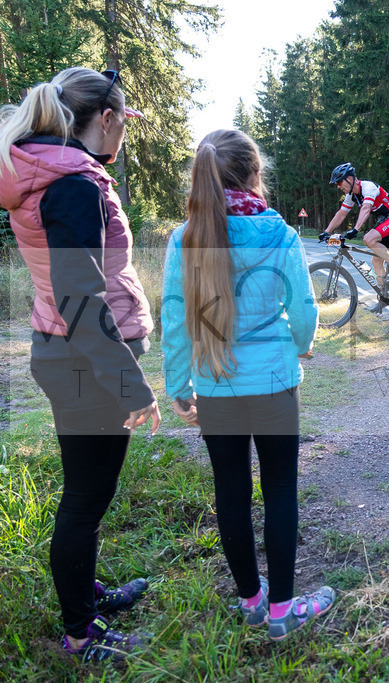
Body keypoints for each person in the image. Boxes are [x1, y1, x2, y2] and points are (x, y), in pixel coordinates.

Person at [0, 67, 159, 662]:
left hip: (64, 353)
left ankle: (83, 598)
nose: (124, 139)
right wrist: (131, 383)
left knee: (83, 494)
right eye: (124, 126)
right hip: (85, 363)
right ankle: (80, 635)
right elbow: (79, 295)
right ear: (108, 119)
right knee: (86, 500)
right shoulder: (73, 185)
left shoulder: (50, 172)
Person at [161, 129, 333, 641]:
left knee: (230, 491)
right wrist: (303, 343)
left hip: (214, 385)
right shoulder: (278, 232)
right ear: (255, 176)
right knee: (281, 490)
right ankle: (282, 610)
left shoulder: (185, 236)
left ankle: (251, 601)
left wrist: (178, 382)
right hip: (276, 383)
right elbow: (302, 306)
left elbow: (174, 317)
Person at [320, 163, 389, 314]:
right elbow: (341, 214)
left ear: (350, 179)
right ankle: (385, 299)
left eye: (340, 182)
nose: (339, 186)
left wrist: (355, 229)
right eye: (337, 184)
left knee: (368, 239)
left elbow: (366, 208)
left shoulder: (368, 187)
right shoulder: (351, 196)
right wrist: (326, 231)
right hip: (383, 222)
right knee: (376, 262)